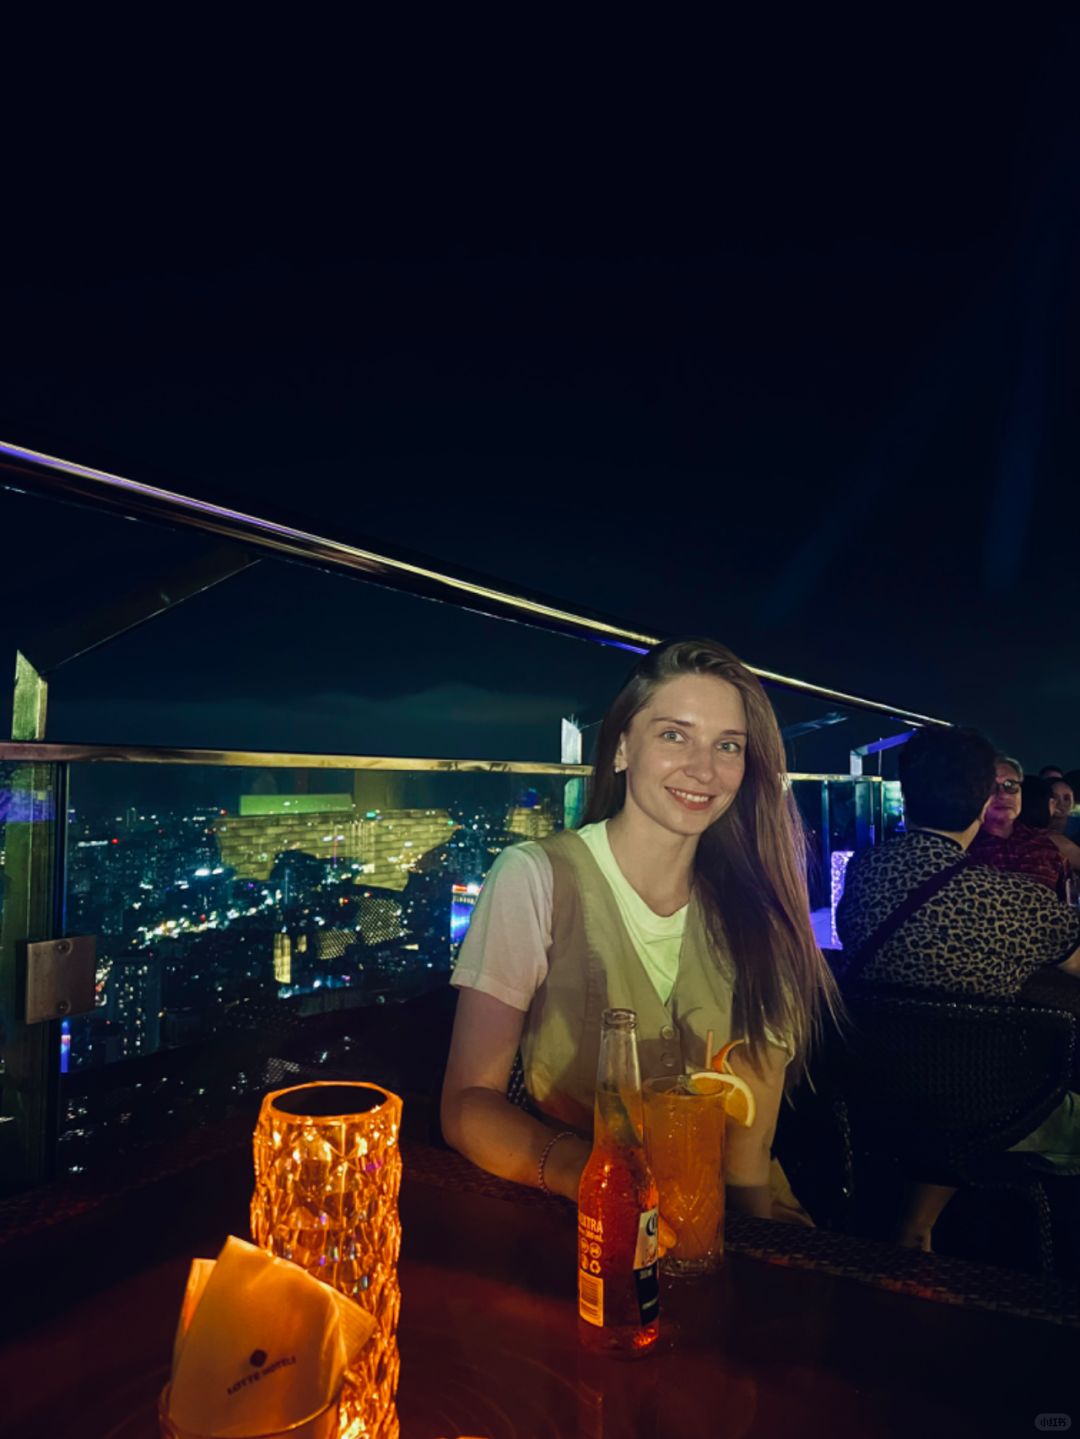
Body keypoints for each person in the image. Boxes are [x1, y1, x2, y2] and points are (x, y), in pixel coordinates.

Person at [441, 637, 839, 1221]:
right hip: (581, 1219)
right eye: (674, 735)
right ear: (623, 746)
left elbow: (749, 1155)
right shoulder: (537, 878)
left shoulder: (759, 909)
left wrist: (751, 1250)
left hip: (724, 1218)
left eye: (727, 746)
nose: (703, 769)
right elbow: (467, 1103)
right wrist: (600, 1178)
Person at [967, 755, 1067, 893]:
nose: (1003, 795)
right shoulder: (967, 847)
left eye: (1011, 785)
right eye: (991, 786)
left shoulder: (1041, 842)